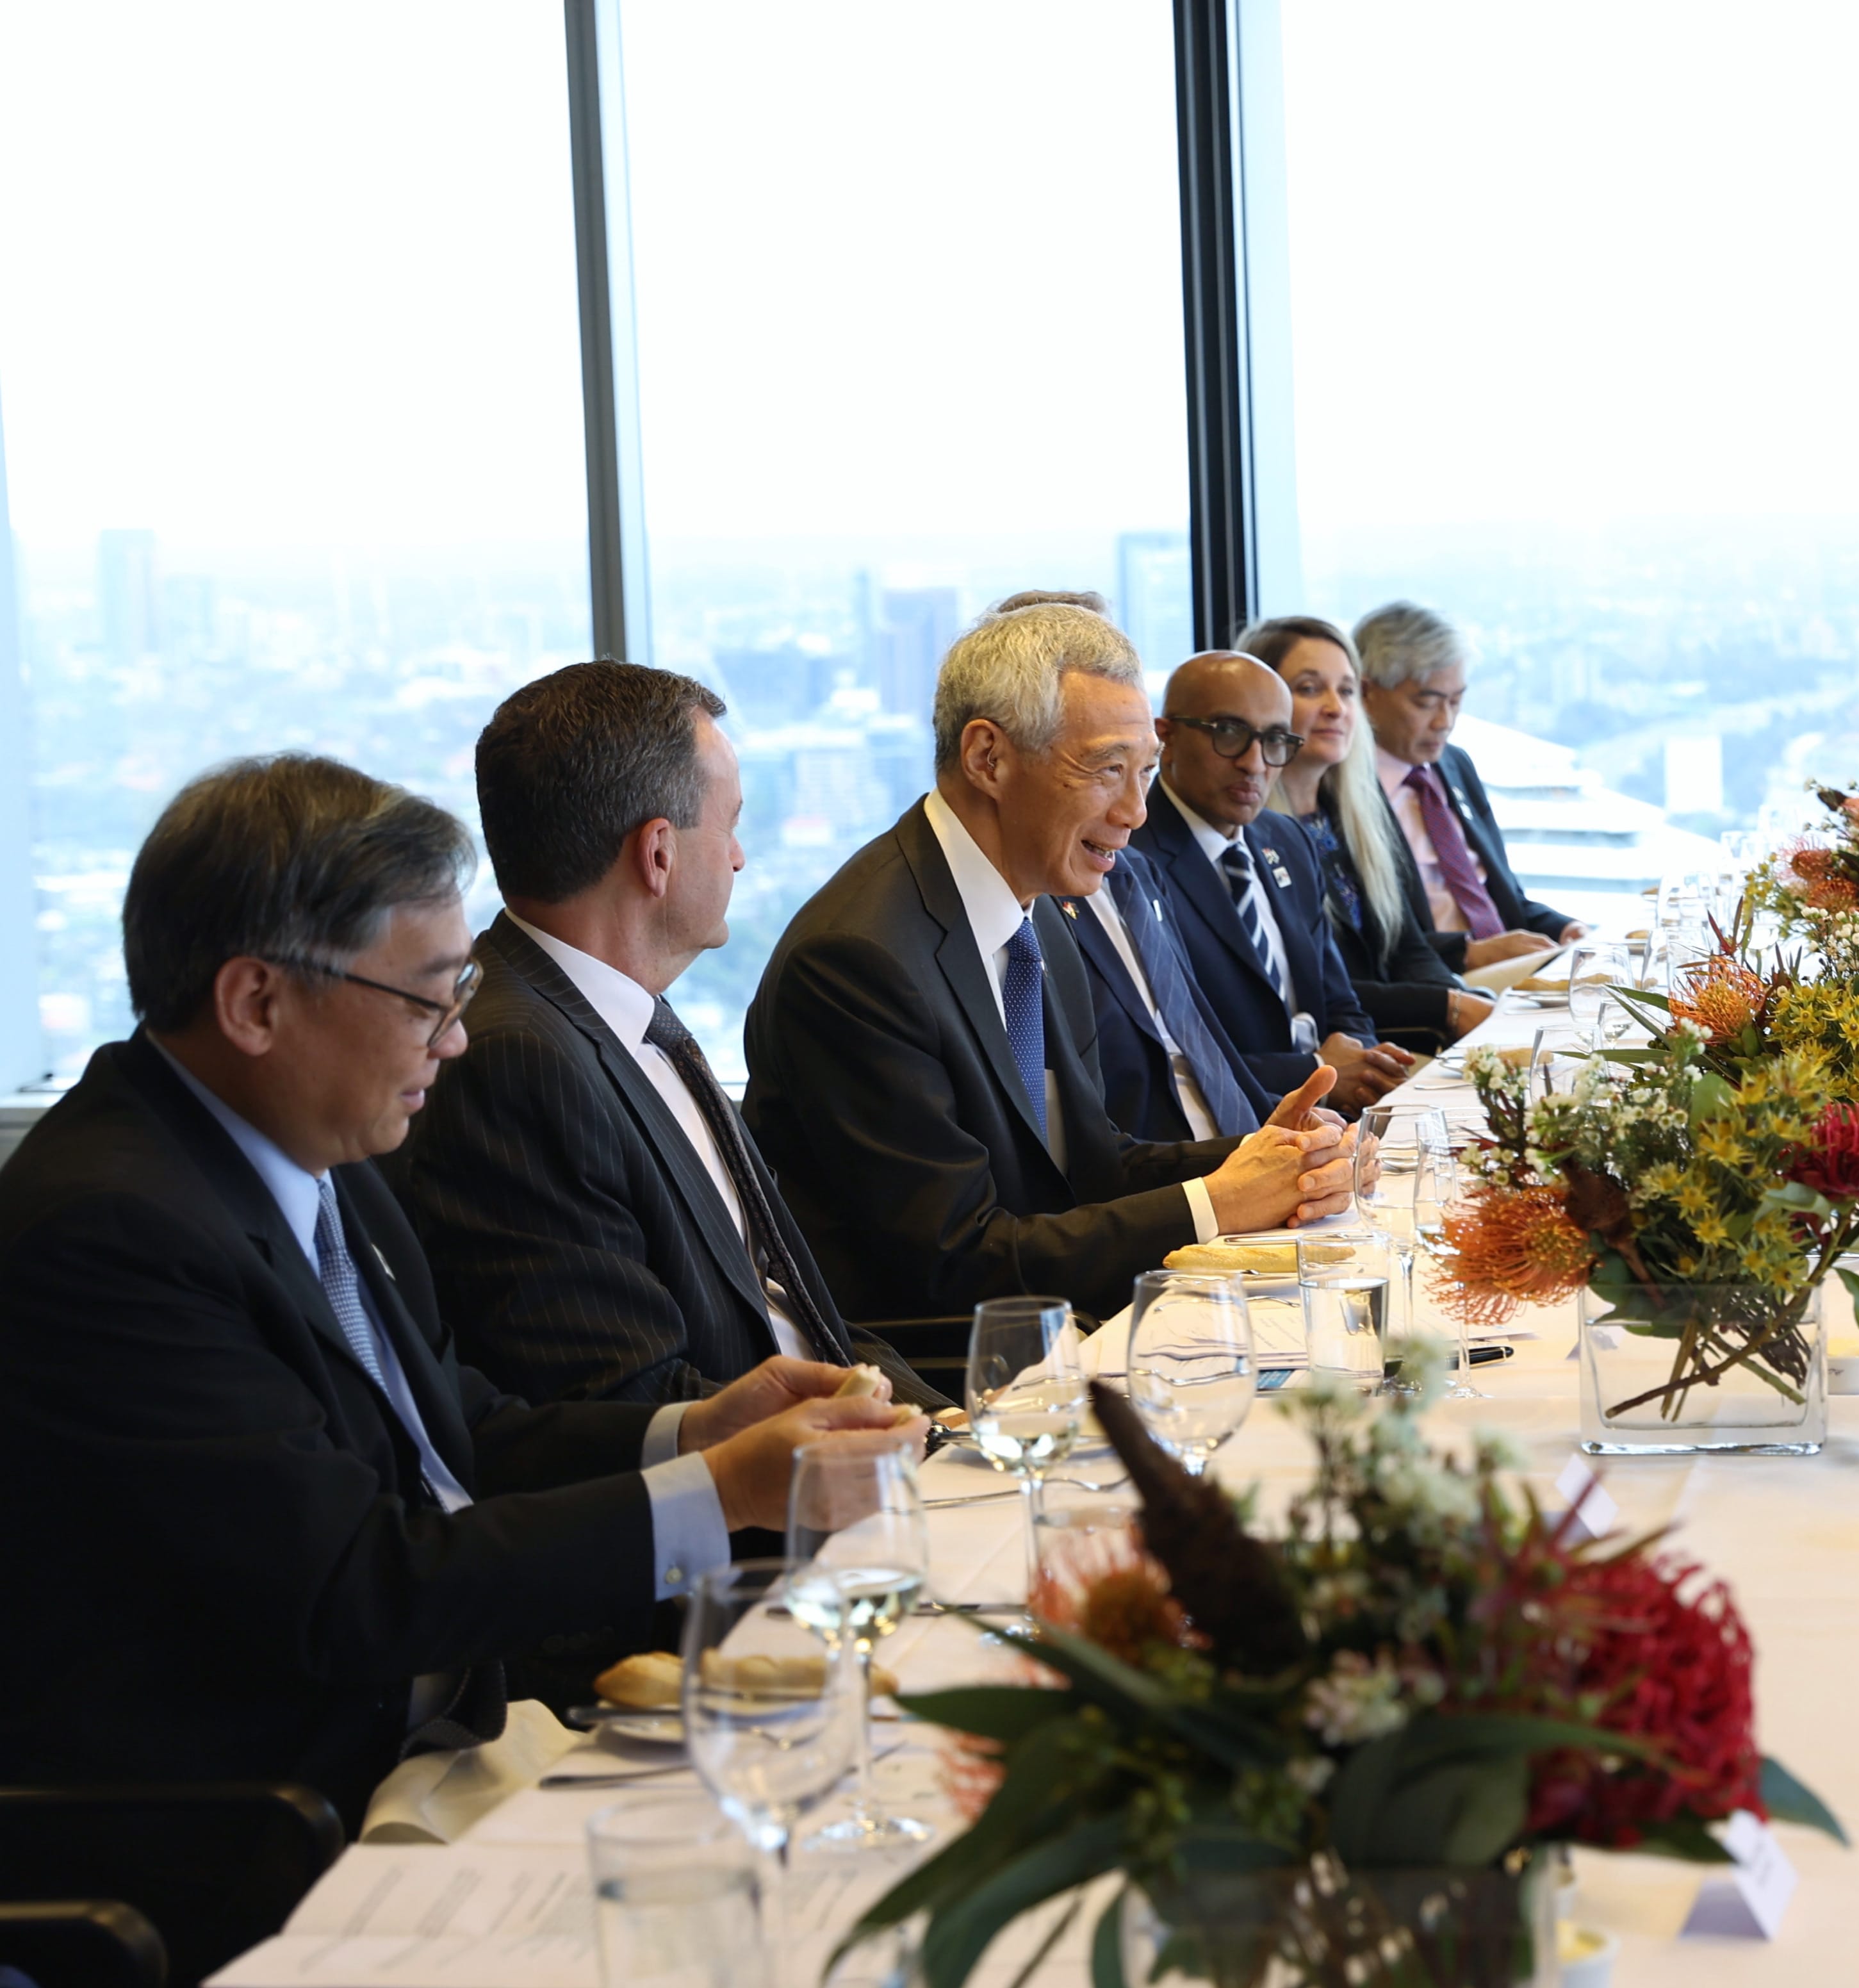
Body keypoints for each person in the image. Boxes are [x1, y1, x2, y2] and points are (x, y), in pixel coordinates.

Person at [0, 757, 917, 1821]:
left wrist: (697, 1433)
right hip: (274, 1826)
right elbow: (357, 1591)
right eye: (431, 996)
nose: (461, 1035)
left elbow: (452, 1433)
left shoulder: (316, 1159)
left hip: (458, 1741)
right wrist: (724, 1497)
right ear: (257, 1001)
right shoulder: (111, 1235)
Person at [742, 601, 1355, 1326]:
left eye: (1145, 771)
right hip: (945, 1377)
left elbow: (1091, 1161)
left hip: (1070, 1324)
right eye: (1107, 769)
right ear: (987, 758)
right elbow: (956, 1261)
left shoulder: (1037, 912)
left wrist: (1271, 1156)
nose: (1135, 810)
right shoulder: (858, 961)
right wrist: (1218, 1201)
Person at [388, 661, 937, 1409]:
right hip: (771, 1500)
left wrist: (948, 1426)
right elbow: (629, 1398)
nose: (740, 855)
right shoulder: (515, 1062)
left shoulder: (634, 1016)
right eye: (730, 823)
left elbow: (800, 1311)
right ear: (658, 854)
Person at [958, 595, 1296, 1150]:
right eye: (1105, 766)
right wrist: (1224, 1184)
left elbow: (1199, 1047)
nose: (1134, 812)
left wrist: (1276, 1140)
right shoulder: (1013, 908)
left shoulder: (1135, 874)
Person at [1130, 650, 1418, 1117]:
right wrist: (1318, 1072)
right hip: (1230, 1130)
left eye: (1275, 740)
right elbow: (1171, 1065)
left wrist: (1362, 1067)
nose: (1255, 763)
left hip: (1332, 1117)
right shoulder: (1130, 863)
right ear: (1167, 737)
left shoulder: (1285, 838)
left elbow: (1341, 1002)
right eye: (1229, 733)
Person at [1244, 612, 1489, 1050]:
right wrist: (1446, 1007)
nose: (1336, 708)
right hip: (1343, 1053)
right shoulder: (1248, 833)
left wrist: (1456, 1000)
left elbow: (1409, 947)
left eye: (1346, 690)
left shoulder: (1354, 810)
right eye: (1309, 689)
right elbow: (1317, 990)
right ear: (1261, 705)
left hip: (1405, 1036)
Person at [1351, 600, 1581, 973]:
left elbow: (1504, 900)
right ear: (1367, 692)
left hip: (1518, 977)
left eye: (1456, 701)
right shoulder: (1343, 790)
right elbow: (1367, 948)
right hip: (1440, 990)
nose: (1445, 721)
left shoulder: (1454, 764)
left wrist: (1566, 929)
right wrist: (1470, 954)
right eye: (1426, 703)